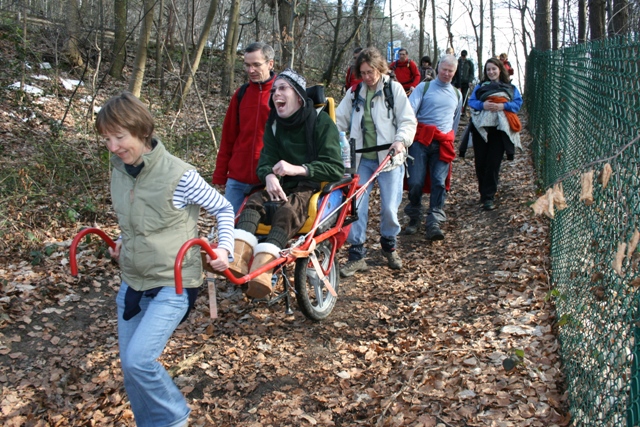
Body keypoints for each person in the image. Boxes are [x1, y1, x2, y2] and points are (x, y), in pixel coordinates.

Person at [95, 92, 235, 427]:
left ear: (141, 132)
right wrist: (121, 242)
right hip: (133, 279)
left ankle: (174, 418)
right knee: (130, 367)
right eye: (106, 139)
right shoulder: (120, 169)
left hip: (173, 283)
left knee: (140, 360)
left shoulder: (178, 175)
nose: (112, 147)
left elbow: (223, 208)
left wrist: (225, 248)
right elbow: (136, 222)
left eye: (119, 138)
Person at [227, 68, 344, 299]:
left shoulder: (321, 122)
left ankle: (264, 271)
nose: (276, 94)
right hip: (282, 184)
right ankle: (237, 261)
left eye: (282, 88)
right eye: (274, 91)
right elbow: (265, 162)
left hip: (310, 186)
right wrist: (269, 176)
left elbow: (335, 168)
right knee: (253, 203)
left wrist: (298, 169)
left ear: (299, 96)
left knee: (288, 211)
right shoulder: (274, 124)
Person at [335, 47, 417, 277]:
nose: (367, 77)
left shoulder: (394, 89)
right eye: (362, 73)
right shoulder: (354, 93)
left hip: (389, 159)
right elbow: (338, 121)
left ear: (380, 69)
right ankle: (356, 254)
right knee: (356, 206)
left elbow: (408, 120)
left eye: (370, 72)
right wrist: (333, 141)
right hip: (361, 159)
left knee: (390, 207)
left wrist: (400, 141)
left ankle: (389, 246)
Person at [212, 42, 276, 213]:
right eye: (247, 65)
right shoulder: (241, 94)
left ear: (270, 64)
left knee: (259, 233)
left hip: (269, 178)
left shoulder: (282, 93)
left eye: (256, 65)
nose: (250, 70)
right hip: (237, 177)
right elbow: (228, 136)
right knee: (228, 228)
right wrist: (220, 173)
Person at [404, 55, 463, 241]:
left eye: (450, 71)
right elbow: (409, 111)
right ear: (438, 68)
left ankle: (434, 221)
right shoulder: (424, 87)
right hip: (420, 140)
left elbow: (455, 120)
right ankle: (414, 216)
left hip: (443, 143)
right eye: (444, 69)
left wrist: (450, 139)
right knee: (415, 181)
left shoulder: (457, 94)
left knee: (439, 182)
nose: (446, 73)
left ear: (455, 72)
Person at [465, 57, 523, 211]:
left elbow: (517, 104)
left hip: (500, 129)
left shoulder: (510, 88)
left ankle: (488, 196)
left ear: (500, 70)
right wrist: (483, 104)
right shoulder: (480, 87)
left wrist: (502, 106)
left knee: (494, 162)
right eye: (488, 69)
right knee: (481, 162)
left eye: (494, 69)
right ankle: (483, 192)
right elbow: (471, 102)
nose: (491, 72)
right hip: (481, 128)